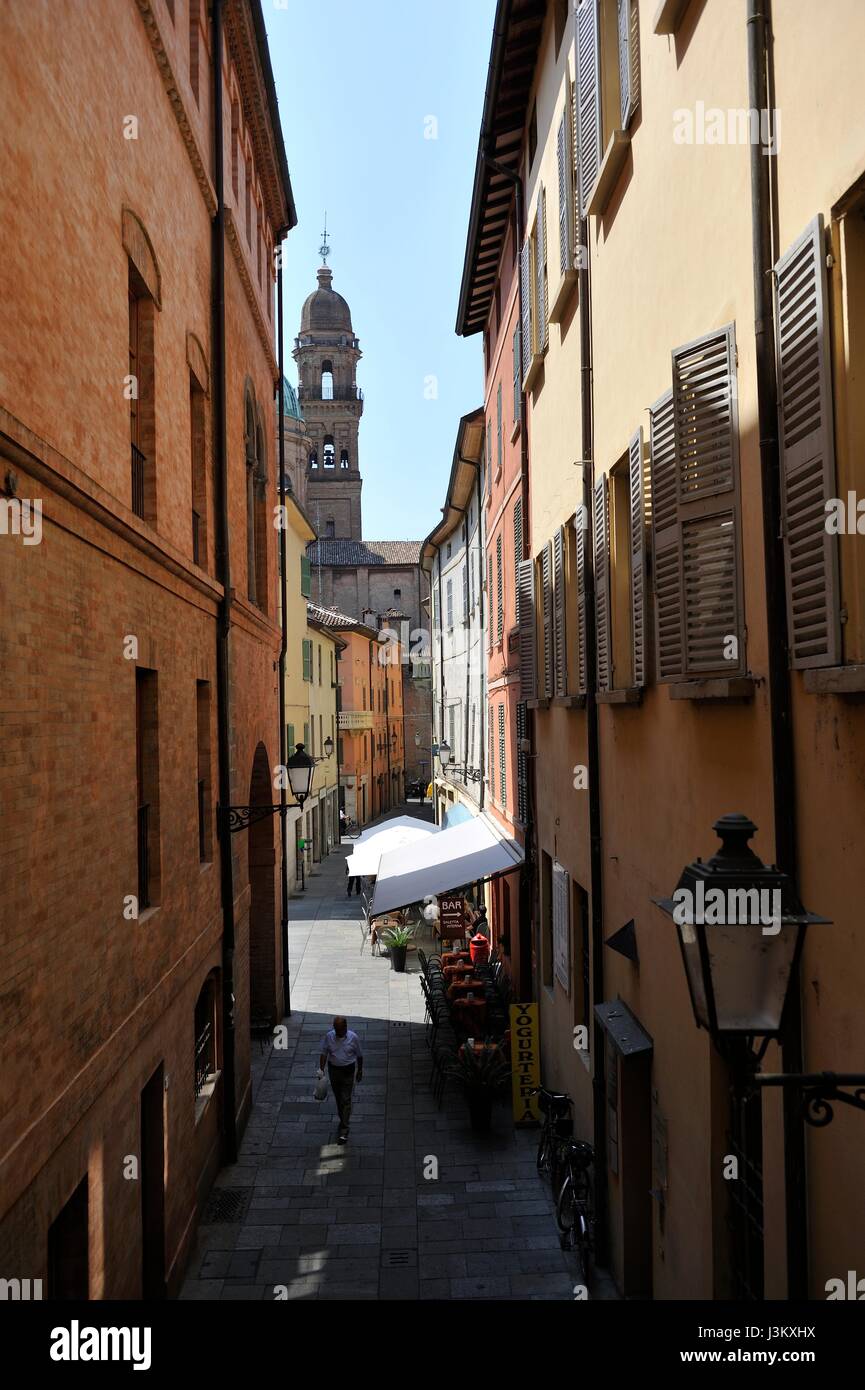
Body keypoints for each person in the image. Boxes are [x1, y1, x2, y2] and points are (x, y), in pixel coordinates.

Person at [318, 1016, 363, 1143]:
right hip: (334, 1071)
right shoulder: (329, 1036)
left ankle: (344, 1129)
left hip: (348, 1070)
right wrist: (321, 1070)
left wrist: (359, 1070)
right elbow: (324, 1053)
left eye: (339, 1029)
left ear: (345, 1027)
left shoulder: (353, 1038)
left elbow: (359, 1055)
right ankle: (343, 1119)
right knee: (339, 1098)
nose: (336, 1032)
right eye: (335, 1029)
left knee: (346, 1099)